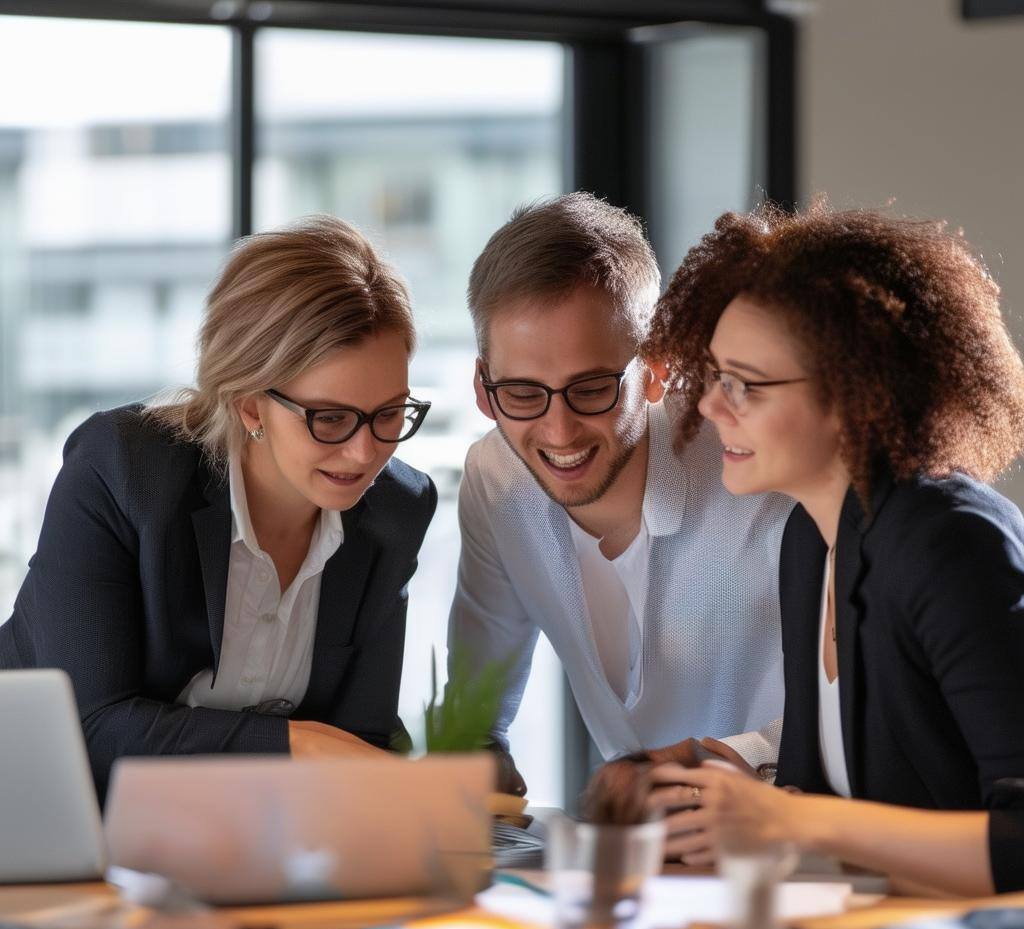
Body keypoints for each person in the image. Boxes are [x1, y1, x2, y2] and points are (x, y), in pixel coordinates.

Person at [632, 201, 1024, 895]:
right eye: (715, 376)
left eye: (744, 385)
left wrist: (792, 823)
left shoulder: (950, 543)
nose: (710, 408)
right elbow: (819, 802)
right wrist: (707, 826)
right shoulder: (811, 542)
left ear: (853, 392)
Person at [0, 216, 436, 802]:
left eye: (389, 413)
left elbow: (361, 736)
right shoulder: (123, 471)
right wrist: (294, 743)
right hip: (41, 823)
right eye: (330, 418)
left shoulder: (395, 511)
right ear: (251, 406)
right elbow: (89, 729)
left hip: (238, 844)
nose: (366, 452)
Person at [448, 192, 794, 800]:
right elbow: (476, 713)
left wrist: (728, 761)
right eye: (523, 393)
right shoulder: (494, 478)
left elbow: (870, 709)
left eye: (591, 389)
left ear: (656, 367)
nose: (558, 433)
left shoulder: (755, 459)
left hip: (806, 843)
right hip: (649, 854)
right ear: (483, 387)